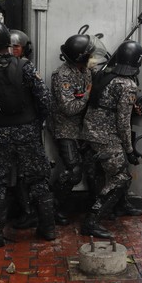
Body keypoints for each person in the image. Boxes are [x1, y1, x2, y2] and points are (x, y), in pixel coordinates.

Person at [0, 20, 55, 247]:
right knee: (38, 179)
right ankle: (47, 229)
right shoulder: (24, 66)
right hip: (28, 132)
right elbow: (45, 100)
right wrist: (35, 122)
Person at [80, 40, 142, 238]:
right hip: (105, 135)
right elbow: (123, 122)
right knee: (121, 176)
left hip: (89, 131)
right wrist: (130, 150)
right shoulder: (127, 85)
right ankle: (91, 221)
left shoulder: (104, 74)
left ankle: (120, 205)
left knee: (114, 169)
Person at [50, 34, 99, 225]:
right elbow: (69, 108)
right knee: (74, 171)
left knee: (93, 168)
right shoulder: (62, 76)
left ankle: (95, 208)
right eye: (89, 55)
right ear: (81, 57)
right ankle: (51, 207)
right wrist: (87, 95)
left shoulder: (85, 71)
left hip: (84, 129)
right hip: (66, 130)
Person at [6, 29, 40, 230]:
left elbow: (41, 99)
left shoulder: (27, 69)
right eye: (9, 47)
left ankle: (32, 213)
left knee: (29, 174)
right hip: (10, 129)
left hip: (27, 129)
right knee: (16, 173)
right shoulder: (0, 68)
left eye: (16, 47)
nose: (12, 51)